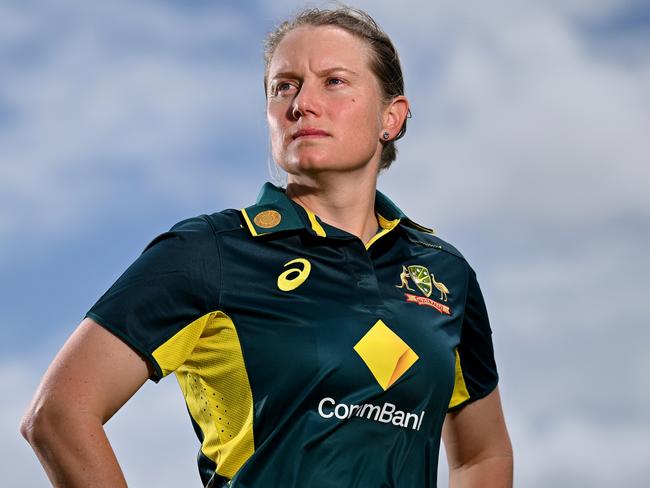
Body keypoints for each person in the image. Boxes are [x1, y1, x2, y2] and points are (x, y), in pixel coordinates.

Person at [21, 6, 513, 488]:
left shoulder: (444, 273)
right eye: (285, 86)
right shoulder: (209, 252)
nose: (302, 103)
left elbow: (481, 454)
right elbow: (59, 413)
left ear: (392, 117)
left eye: (334, 81)